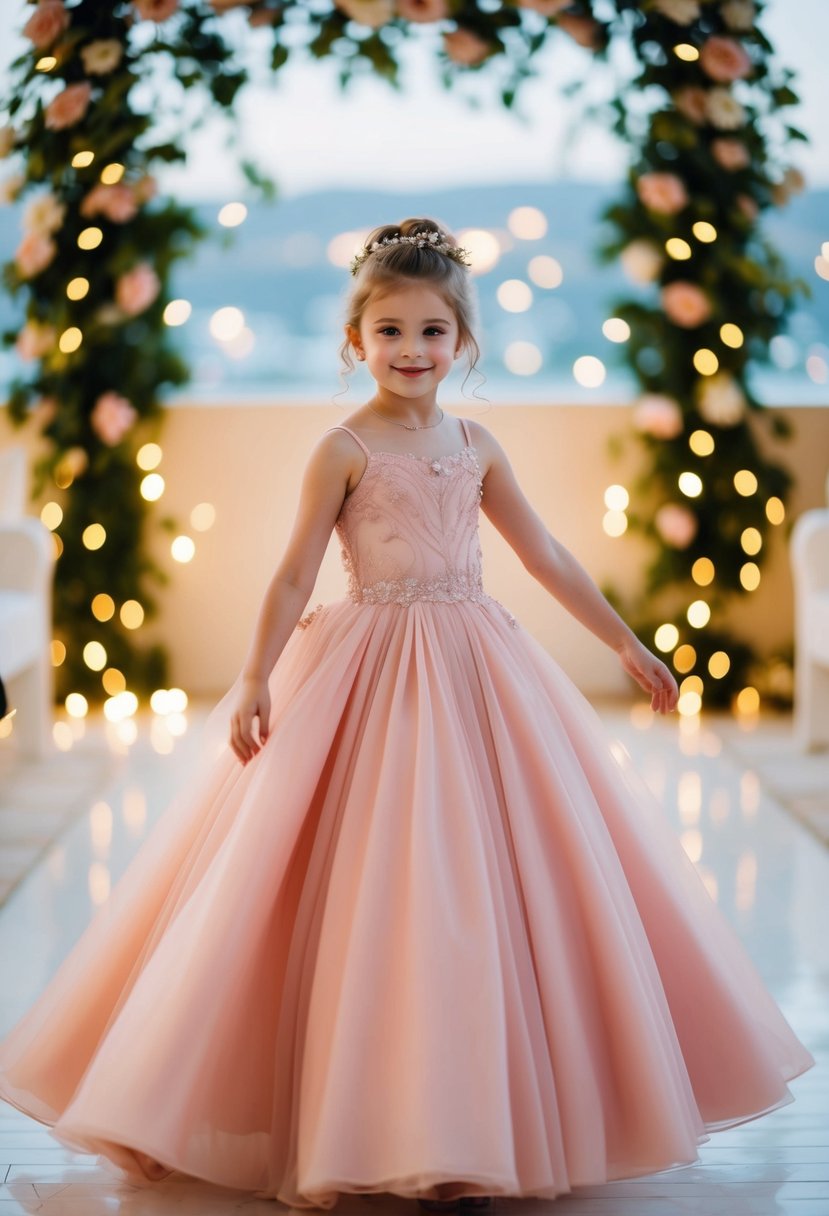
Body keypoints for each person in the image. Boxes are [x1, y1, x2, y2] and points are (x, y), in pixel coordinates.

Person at [0, 217, 814, 1212]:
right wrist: (255, 676)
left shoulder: (476, 443)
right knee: (368, 877)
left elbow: (545, 554)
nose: (412, 350)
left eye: (432, 331)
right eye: (389, 331)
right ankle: (347, 1114)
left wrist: (623, 639)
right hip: (368, 668)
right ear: (355, 342)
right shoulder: (341, 448)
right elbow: (296, 569)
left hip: (477, 665)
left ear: (461, 342)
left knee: (488, 876)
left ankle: (475, 1119)